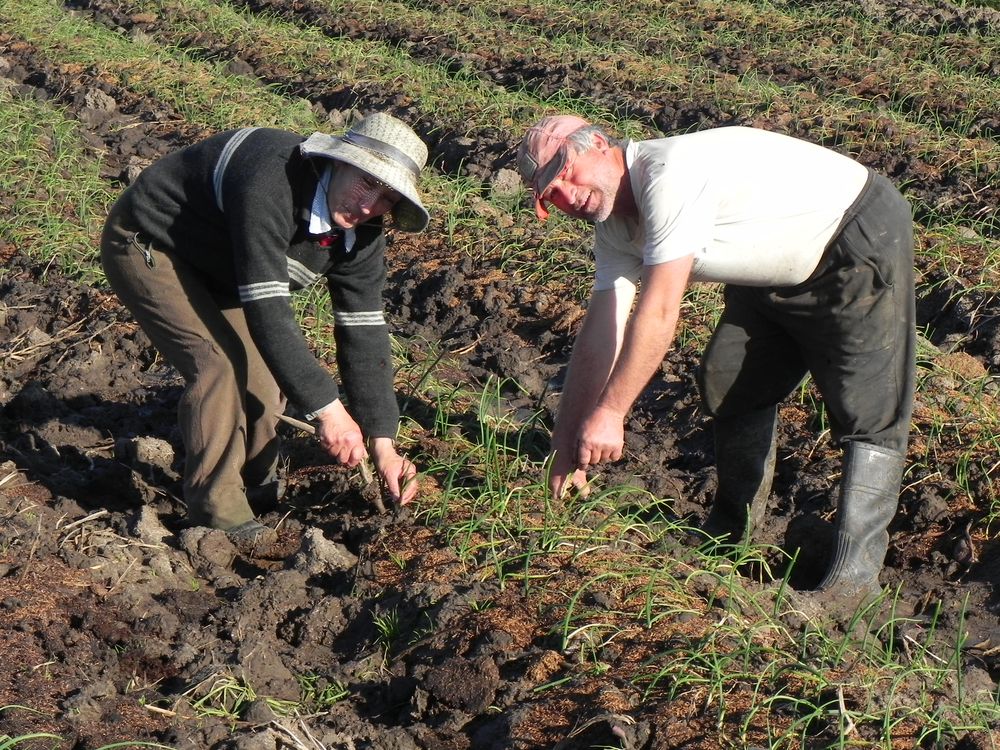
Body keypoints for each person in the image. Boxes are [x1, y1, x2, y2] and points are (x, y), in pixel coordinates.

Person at [518, 114, 915, 597]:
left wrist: (611, 412)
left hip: (851, 236)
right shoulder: (614, 226)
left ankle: (852, 585)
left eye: (565, 173)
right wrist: (565, 448)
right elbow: (602, 332)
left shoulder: (666, 175)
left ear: (600, 143)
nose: (565, 197)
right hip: (771, 268)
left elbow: (660, 308)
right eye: (549, 195)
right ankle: (730, 533)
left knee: (867, 403)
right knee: (730, 380)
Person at [101, 113, 427, 544]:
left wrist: (383, 441)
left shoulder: (362, 234)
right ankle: (218, 511)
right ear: (336, 162)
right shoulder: (270, 181)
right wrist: (329, 413)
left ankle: (256, 486)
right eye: (367, 183)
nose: (370, 206)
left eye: (387, 198)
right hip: (154, 244)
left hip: (224, 266)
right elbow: (269, 314)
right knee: (218, 366)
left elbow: (363, 332)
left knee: (263, 375)